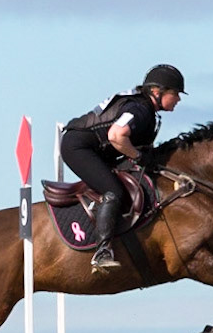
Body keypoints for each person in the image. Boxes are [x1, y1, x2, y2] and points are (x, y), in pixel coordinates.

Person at [61, 64, 185, 271]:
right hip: (79, 148)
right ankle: (102, 251)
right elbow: (116, 135)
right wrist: (137, 156)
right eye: (175, 93)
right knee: (114, 191)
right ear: (157, 92)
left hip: (95, 149)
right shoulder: (141, 109)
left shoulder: (145, 108)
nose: (179, 99)